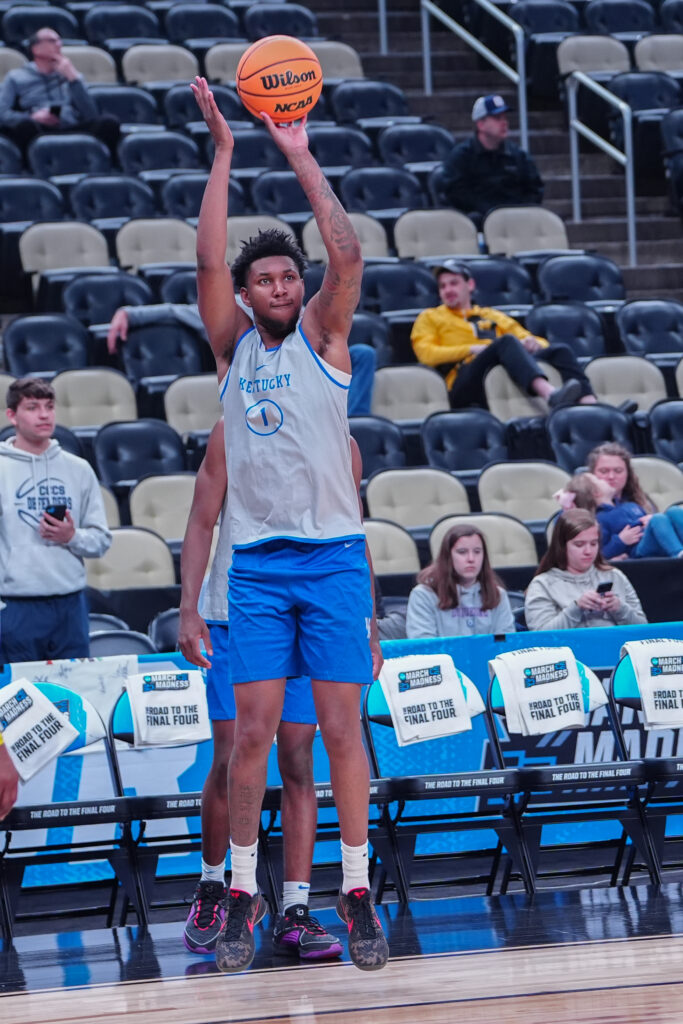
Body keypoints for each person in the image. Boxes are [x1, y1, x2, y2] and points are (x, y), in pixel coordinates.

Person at [190, 77, 389, 974]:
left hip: (335, 560)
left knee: (343, 735)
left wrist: (301, 155)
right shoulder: (232, 351)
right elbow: (204, 267)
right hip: (261, 570)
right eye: (261, 277)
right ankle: (239, 889)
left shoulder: (324, 337)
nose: (277, 283)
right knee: (251, 735)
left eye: (285, 274)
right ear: (242, 296)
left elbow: (346, 260)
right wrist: (229, 153)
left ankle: (353, 887)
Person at [179, 421, 380, 960]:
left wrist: (370, 624)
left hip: (311, 609)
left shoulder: (342, 443)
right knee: (233, 753)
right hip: (236, 612)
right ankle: (216, 884)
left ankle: (295, 907)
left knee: (298, 758)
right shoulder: (231, 431)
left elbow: (354, 535)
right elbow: (201, 522)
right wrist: (189, 607)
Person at [0, 378, 112, 665]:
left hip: (70, 605)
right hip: (14, 606)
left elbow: (101, 540)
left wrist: (71, 536)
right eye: (33, 407)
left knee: (73, 697)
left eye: (49, 407)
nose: (44, 414)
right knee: (18, 702)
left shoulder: (78, 469)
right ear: (11, 415)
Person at [107, 301, 377, 417]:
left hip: (304, 369)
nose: (278, 288)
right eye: (266, 280)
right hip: (263, 376)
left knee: (363, 354)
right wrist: (129, 314)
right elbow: (176, 312)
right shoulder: (234, 309)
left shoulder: (301, 309)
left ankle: (355, 423)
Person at [411, 260, 596, 410]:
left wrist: (532, 342)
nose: (448, 290)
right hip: (462, 380)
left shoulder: (491, 315)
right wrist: (471, 349)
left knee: (560, 350)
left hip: (497, 364)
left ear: (470, 285)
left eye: (454, 283)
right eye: (442, 286)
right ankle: (549, 394)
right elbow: (426, 354)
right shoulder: (430, 317)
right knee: (505, 342)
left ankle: (590, 404)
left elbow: (529, 338)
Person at [0, 28, 119, 156]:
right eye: (52, 41)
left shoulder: (71, 74)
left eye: (59, 41)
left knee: (109, 123)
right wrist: (31, 117)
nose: (59, 44)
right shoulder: (16, 77)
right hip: (39, 127)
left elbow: (91, 114)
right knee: (24, 126)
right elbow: (2, 113)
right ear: (35, 48)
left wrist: (73, 79)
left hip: (71, 126)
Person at [524, 509, 647, 631]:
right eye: (579, 544)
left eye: (593, 544)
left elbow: (644, 629)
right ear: (561, 546)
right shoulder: (542, 584)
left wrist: (620, 609)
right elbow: (540, 637)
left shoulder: (615, 576)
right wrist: (576, 608)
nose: (588, 551)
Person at [440, 94, 544, 227]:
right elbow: (456, 192)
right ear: (481, 124)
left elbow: (535, 188)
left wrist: (518, 211)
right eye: (497, 118)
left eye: (505, 117)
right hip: (478, 221)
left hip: (516, 221)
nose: (504, 122)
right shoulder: (461, 157)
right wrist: (489, 212)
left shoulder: (518, 155)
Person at [406, 524, 515, 638]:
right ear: (448, 556)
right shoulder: (424, 595)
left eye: (477, 551)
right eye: (462, 552)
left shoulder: (498, 594)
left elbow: (506, 643)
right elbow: (424, 646)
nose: (471, 559)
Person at [560, 461, 683, 560]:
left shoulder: (629, 505)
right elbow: (601, 552)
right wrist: (620, 540)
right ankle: (678, 554)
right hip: (638, 550)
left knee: (674, 511)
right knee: (658, 518)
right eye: (600, 481)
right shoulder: (600, 519)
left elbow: (653, 523)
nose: (608, 479)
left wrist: (648, 519)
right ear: (596, 493)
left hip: (655, 537)